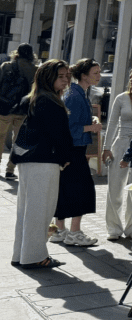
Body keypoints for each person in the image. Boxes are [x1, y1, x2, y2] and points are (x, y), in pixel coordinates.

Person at [10, 60, 73, 269]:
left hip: (30, 160)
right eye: (61, 76)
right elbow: (59, 135)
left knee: (27, 211)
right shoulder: (50, 101)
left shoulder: (36, 98)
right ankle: (35, 256)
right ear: (49, 77)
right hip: (44, 161)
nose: (66, 80)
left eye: (67, 76)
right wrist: (66, 157)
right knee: (40, 211)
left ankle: (22, 254)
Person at [51, 58, 102, 247]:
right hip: (73, 149)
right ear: (84, 75)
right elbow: (70, 128)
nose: (99, 76)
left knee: (66, 189)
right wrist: (91, 127)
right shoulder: (75, 95)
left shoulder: (77, 93)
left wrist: (90, 123)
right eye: (95, 73)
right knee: (82, 190)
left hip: (71, 149)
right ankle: (74, 232)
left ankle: (61, 230)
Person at [101, 64, 132, 240]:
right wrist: (106, 148)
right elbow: (112, 124)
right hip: (120, 144)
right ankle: (113, 228)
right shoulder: (121, 99)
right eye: (131, 76)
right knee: (115, 187)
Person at [0, 43, 37, 180]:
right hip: (22, 110)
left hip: (4, 108)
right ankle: (10, 169)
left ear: (17, 53)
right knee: (18, 141)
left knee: (0, 137)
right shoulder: (35, 70)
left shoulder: (6, 66)